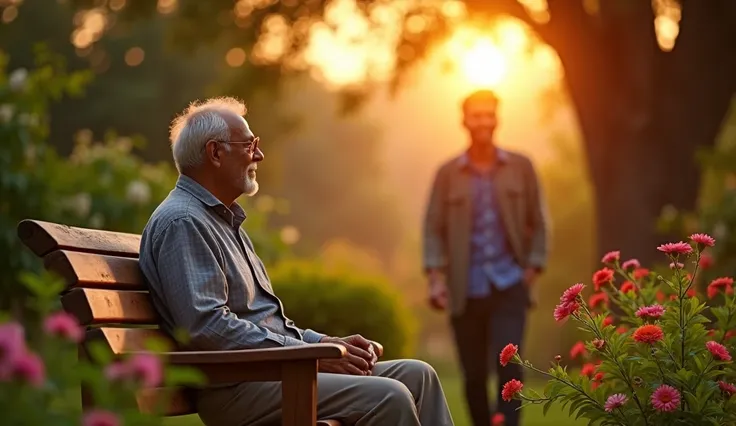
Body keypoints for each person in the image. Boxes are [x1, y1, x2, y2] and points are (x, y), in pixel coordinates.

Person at [138, 96, 454, 426]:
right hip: (238, 388)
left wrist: (323, 344)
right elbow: (207, 326)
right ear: (215, 153)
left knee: (419, 376)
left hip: (274, 373)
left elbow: (264, 322)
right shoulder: (183, 223)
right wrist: (311, 359)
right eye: (249, 144)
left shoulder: (220, 221)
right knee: (390, 395)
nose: (258, 154)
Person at [422, 90, 549, 426]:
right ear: (464, 120)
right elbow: (432, 228)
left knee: (510, 368)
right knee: (474, 373)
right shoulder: (447, 173)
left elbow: (539, 221)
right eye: (475, 115)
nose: (483, 122)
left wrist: (532, 270)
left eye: (488, 114)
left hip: (510, 284)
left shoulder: (521, 167)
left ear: (498, 118)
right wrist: (436, 281)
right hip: (465, 289)